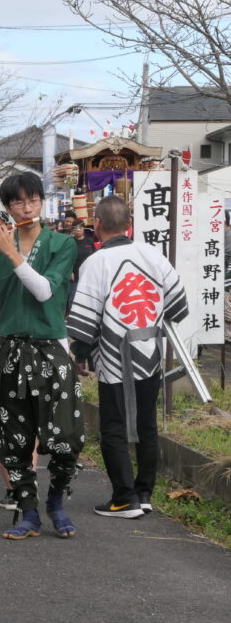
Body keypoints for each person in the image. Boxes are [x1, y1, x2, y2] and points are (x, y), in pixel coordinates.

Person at [0, 172, 84, 540]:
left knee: (66, 436)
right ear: (7, 208)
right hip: (11, 349)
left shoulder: (62, 243)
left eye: (33, 200)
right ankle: (28, 510)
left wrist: (10, 253)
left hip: (51, 347)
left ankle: (56, 501)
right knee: (14, 436)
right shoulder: (0, 243)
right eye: (18, 202)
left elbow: (44, 292)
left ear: (41, 201)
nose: (27, 207)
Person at [67, 195, 189, 519]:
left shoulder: (95, 262)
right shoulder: (152, 254)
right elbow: (179, 305)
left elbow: (83, 322)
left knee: (115, 428)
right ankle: (144, 492)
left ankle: (124, 498)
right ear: (129, 224)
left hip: (114, 357)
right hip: (150, 352)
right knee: (147, 425)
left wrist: (79, 354)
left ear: (97, 225)